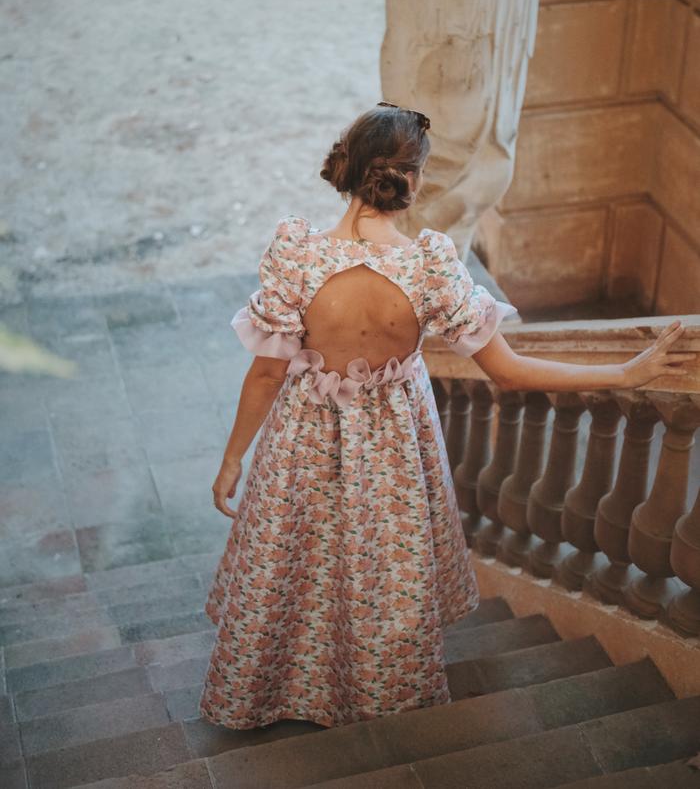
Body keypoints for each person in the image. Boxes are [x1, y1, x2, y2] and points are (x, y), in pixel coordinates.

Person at [199, 103, 691, 732]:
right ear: (414, 180)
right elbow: (510, 371)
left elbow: (267, 373)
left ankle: (274, 690)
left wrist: (233, 458)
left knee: (298, 565)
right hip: (394, 451)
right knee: (382, 573)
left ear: (346, 168)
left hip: (303, 441)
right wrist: (624, 375)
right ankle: (382, 702)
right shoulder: (431, 264)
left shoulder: (296, 254)